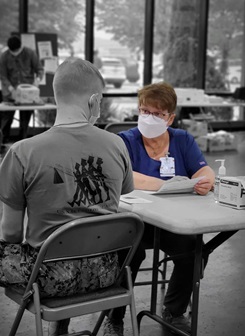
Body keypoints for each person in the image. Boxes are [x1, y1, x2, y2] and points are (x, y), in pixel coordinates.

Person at [0, 57, 136, 336]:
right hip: (107, 274)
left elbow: (11, 233)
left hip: (47, 279)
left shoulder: (22, 152)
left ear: (56, 95)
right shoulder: (117, 144)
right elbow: (121, 196)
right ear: (93, 100)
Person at [110, 81, 215, 334]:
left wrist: (207, 180)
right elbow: (125, 176)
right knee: (129, 255)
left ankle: (174, 310)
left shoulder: (182, 140)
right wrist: (164, 185)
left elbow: (203, 170)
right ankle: (114, 318)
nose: (149, 117)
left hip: (172, 221)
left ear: (170, 118)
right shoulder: (124, 140)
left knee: (194, 250)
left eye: (157, 113)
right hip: (133, 223)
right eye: (145, 110)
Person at [0, 35, 44, 142]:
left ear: (21, 47)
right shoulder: (4, 56)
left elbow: (39, 69)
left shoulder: (30, 53)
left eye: (17, 51)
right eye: (12, 52)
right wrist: (11, 89)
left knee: (25, 120)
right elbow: (3, 76)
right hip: (10, 93)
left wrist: (37, 81)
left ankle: (22, 141)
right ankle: (3, 142)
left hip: (27, 94)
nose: (15, 54)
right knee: (6, 119)